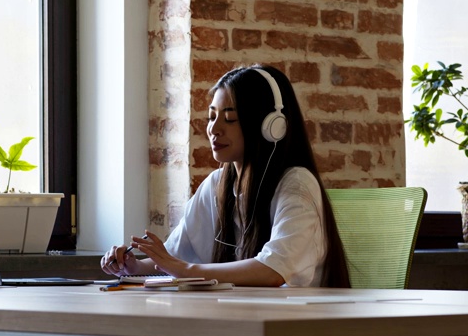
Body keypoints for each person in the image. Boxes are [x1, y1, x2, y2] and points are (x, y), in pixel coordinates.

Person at [100, 64, 351, 287]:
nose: (213, 129)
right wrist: (132, 266)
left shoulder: (297, 185)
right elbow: (175, 258)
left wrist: (186, 270)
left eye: (229, 119)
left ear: (271, 126)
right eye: (211, 117)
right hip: (245, 320)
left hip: (297, 326)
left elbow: (273, 271)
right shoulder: (216, 185)